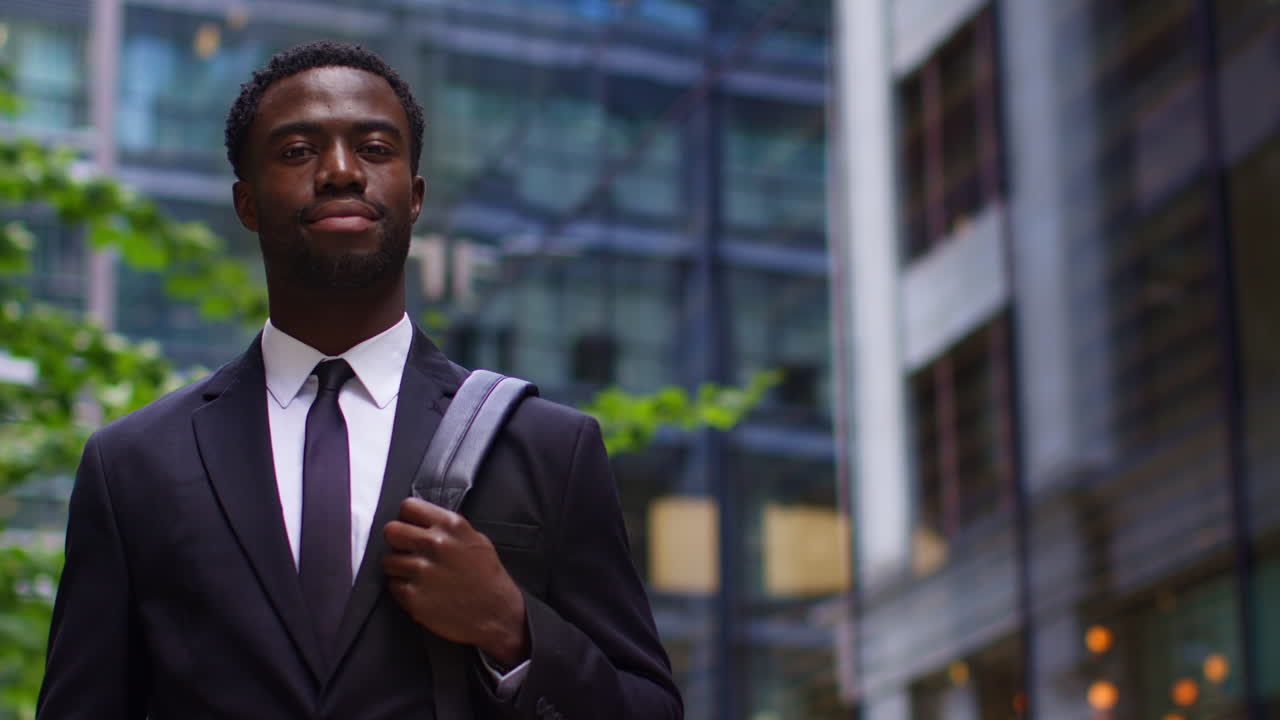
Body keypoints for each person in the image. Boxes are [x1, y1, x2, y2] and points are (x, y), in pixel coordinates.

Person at [37, 41, 681, 719]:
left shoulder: (549, 448)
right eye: (296, 152)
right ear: (246, 203)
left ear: (416, 195)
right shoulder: (133, 465)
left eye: (375, 149)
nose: (341, 172)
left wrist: (512, 628)